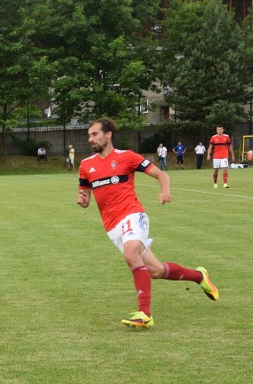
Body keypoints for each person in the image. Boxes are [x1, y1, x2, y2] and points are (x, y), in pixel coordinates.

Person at [77, 118, 219, 329]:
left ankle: (145, 314)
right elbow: (85, 197)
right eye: (89, 135)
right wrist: (82, 201)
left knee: (131, 254)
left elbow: (160, 174)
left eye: (95, 134)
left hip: (132, 214)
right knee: (156, 271)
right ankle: (199, 276)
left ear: (108, 135)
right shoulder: (86, 165)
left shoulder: (127, 157)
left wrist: (165, 191)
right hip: (112, 226)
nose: (91, 139)